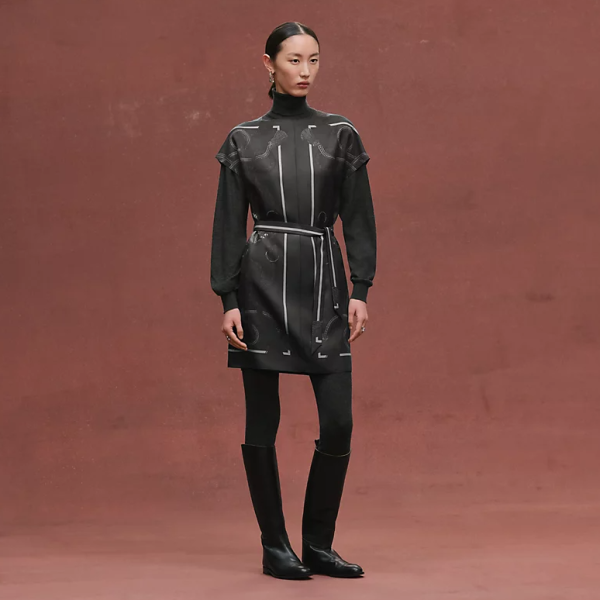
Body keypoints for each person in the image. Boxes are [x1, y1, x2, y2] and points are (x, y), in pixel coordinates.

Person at [210, 21, 376, 580]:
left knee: (338, 423)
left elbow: (358, 218)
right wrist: (228, 297)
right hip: (260, 288)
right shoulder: (243, 139)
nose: (305, 71)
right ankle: (274, 546)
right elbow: (228, 225)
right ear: (269, 64)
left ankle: (318, 544)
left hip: (325, 284)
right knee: (263, 421)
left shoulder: (340, 134)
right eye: (294, 60)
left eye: (314, 60)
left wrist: (361, 288)